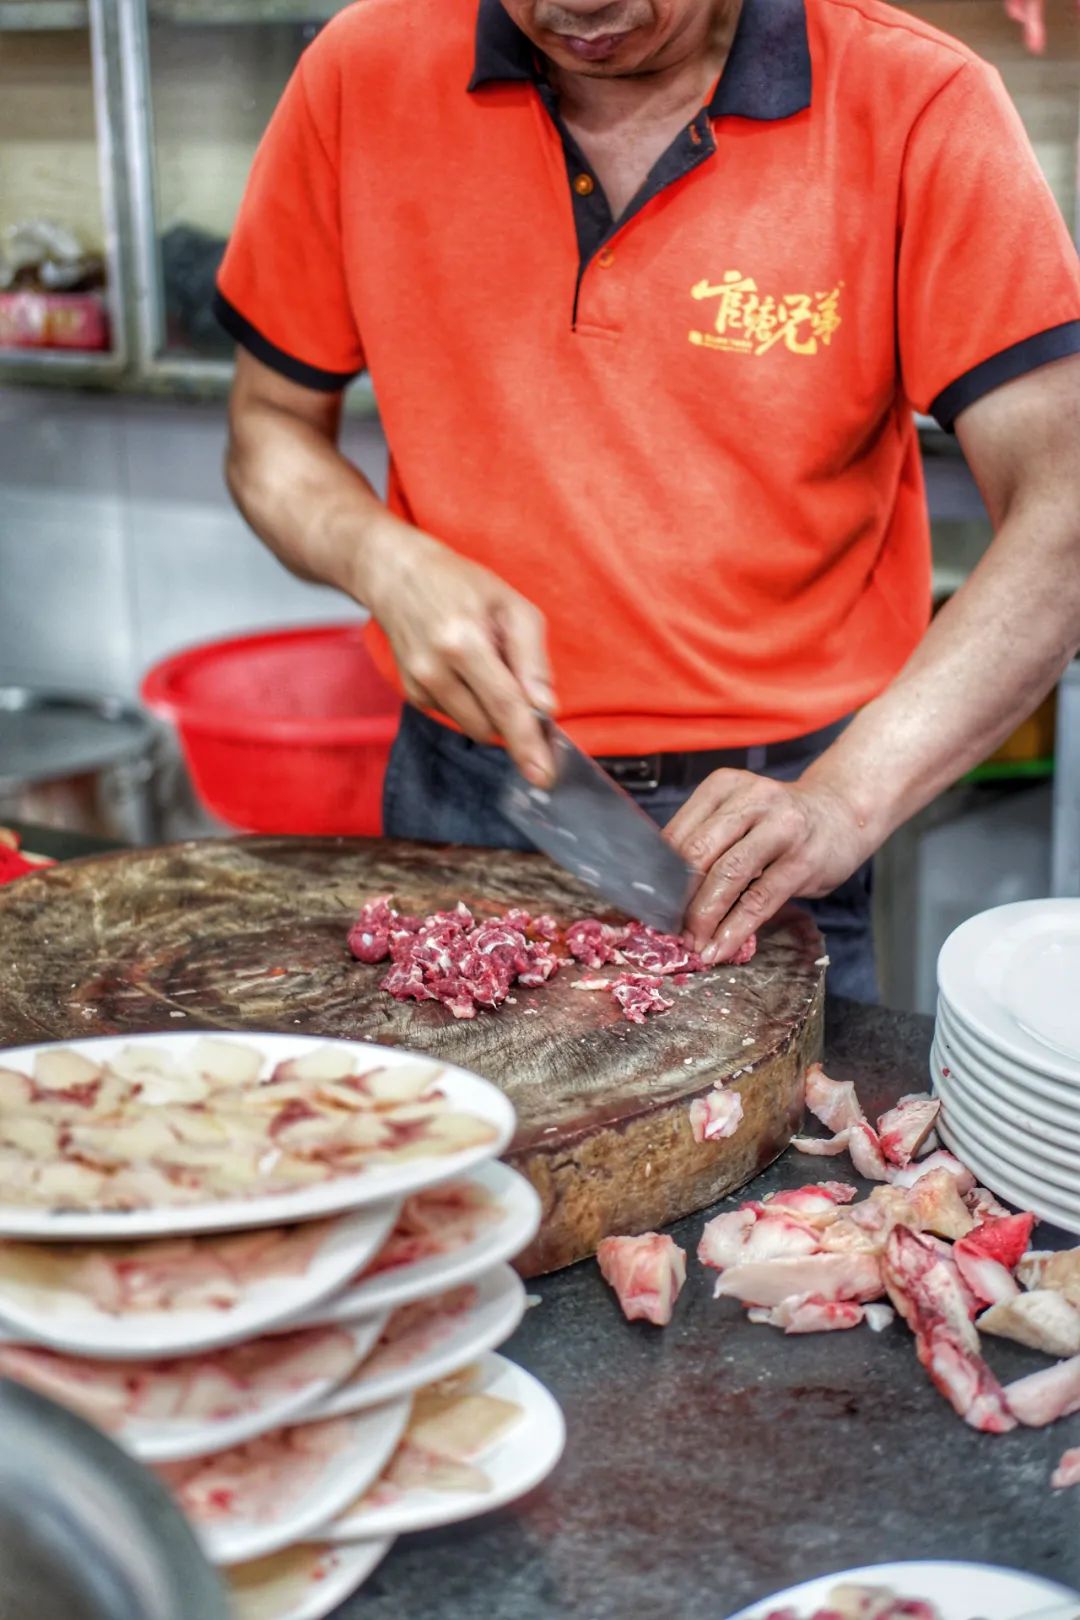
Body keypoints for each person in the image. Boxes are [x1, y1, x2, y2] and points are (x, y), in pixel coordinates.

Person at [216, 0, 1080, 1002]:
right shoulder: (360, 71)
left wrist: (845, 799)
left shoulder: (917, 101)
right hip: (467, 793)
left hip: (778, 821)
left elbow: (1062, 514)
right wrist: (382, 559)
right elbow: (268, 433)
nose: (574, 10)